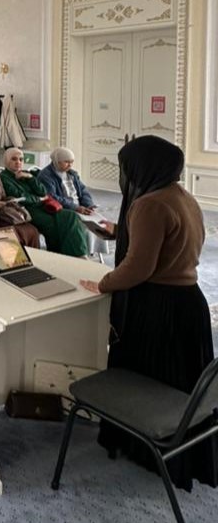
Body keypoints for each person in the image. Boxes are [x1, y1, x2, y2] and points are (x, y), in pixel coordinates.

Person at [79, 136, 215, 491]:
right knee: (177, 384)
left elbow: (138, 268)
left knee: (146, 382)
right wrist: (122, 232)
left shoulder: (148, 204)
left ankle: (144, 448)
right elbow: (170, 242)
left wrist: (104, 283)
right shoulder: (182, 196)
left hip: (158, 307)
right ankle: (180, 451)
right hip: (188, 302)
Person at [0, 147, 89, 257]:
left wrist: (30, 178)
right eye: (14, 159)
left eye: (21, 159)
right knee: (52, 225)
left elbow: (42, 191)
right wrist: (38, 199)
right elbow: (20, 197)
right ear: (6, 160)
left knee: (70, 216)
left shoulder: (26, 173)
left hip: (43, 206)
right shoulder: (4, 177)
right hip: (26, 209)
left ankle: (78, 254)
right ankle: (59, 255)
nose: (18, 162)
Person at [37, 147, 96, 214]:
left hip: (78, 207)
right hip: (64, 209)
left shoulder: (72, 174)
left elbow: (83, 190)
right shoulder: (46, 176)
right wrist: (75, 207)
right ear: (57, 161)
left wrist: (88, 204)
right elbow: (51, 197)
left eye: (72, 162)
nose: (70, 165)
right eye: (66, 162)